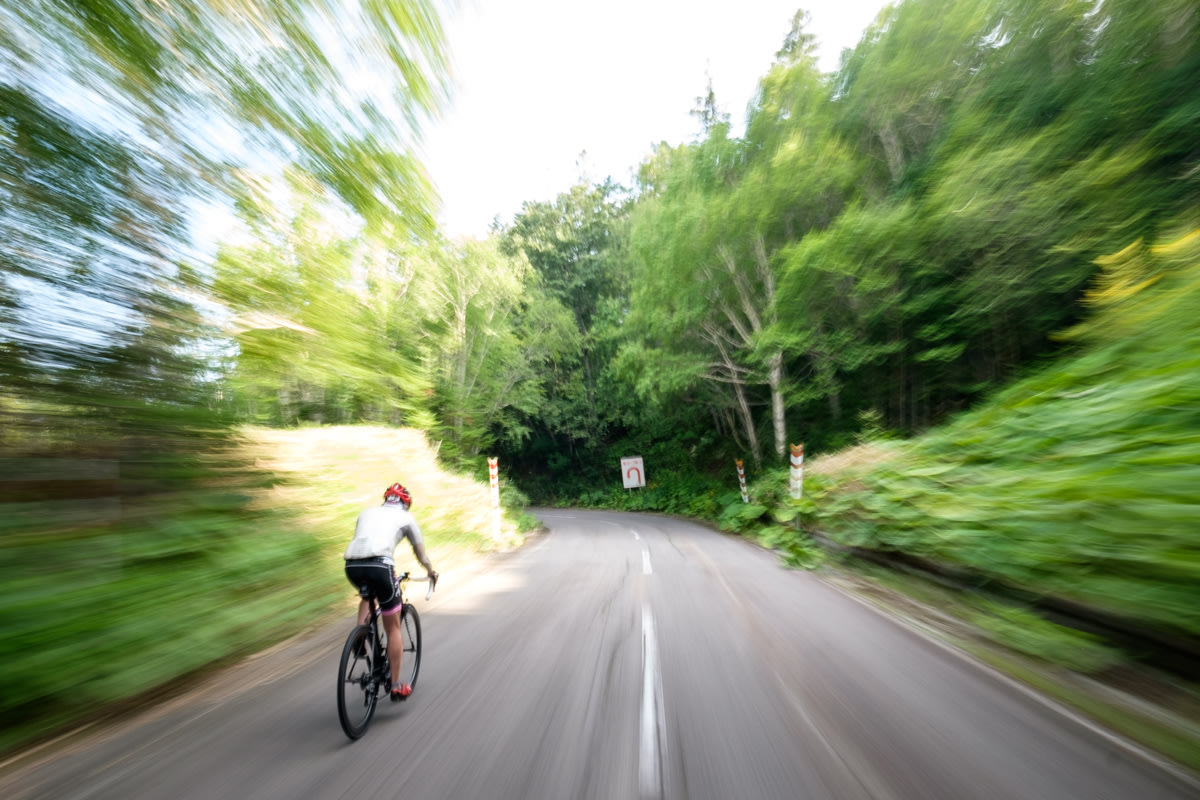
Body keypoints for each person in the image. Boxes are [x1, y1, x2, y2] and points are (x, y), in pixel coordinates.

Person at [343, 482, 437, 701]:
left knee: (368, 594)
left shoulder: (366, 512)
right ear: (406, 503)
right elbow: (421, 555)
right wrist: (431, 572)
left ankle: (360, 633)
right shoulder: (407, 518)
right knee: (393, 627)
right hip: (380, 566)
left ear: (386, 499)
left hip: (352, 565)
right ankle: (395, 685)